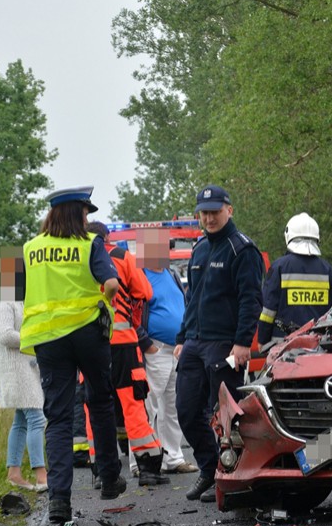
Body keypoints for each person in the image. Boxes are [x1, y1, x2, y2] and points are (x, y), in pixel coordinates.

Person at [20, 186, 126, 524]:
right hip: (87, 332)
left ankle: (59, 502)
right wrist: (102, 303)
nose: (87, 218)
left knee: (59, 417)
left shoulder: (30, 248)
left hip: (49, 338)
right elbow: (111, 284)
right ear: (76, 214)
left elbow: (19, 291)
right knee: (100, 400)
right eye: (85, 212)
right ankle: (109, 478)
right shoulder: (89, 245)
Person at [174, 184, 265, 501]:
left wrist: (242, 343)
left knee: (227, 418)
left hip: (225, 346)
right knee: (186, 410)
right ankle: (209, 469)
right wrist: (182, 338)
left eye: (215, 211)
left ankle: (230, 477)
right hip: (195, 344)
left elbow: (251, 301)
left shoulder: (243, 250)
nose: (209, 218)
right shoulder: (199, 250)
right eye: (204, 212)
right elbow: (191, 299)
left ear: (230, 210)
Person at [85, 221, 167, 487]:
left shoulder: (78, 259)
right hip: (122, 342)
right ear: (107, 237)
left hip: (90, 344)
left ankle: (101, 472)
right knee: (133, 403)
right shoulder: (121, 256)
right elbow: (145, 292)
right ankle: (149, 469)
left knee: (94, 408)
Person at [136, 227, 197, 474]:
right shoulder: (140, 275)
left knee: (172, 408)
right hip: (155, 351)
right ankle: (143, 461)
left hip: (175, 351)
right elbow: (133, 314)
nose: (166, 251)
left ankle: (173, 457)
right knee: (149, 407)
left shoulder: (170, 274)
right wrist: (145, 343)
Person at [0, 252, 47, 493]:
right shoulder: (1, 303)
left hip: (24, 367)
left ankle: (14, 473)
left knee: (21, 421)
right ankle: (41, 475)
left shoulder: (14, 300)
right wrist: (35, 339)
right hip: (15, 370)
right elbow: (4, 335)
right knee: (36, 418)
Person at [258, 212, 332, 348]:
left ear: (288, 235)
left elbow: (268, 311)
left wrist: (262, 340)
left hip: (283, 347)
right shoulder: (327, 269)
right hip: (318, 346)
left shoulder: (279, 267)